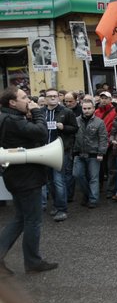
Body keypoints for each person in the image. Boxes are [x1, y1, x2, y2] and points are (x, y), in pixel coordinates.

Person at [0, 87, 59, 276]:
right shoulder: (14, 120)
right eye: (24, 97)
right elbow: (41, 133)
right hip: (27, 179)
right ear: (12, 103)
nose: (28, 100)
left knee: (20, 218)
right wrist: (37, 112)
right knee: (33, 221)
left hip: (16, 177)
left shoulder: (5, 117)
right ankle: (33, 262)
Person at [41, 88, 77, 222]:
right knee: (49, 180)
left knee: (59, 180)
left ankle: (62, 209)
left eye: (55, 96)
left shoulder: (66, 112)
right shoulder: (41, 112)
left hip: (60, 150)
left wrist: (64, 127)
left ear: (58, 97)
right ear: (45, 98)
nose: (52, 98)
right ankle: (56, 205)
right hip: (44, 151)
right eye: (49, 96)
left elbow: (75, 129)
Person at [73, 100, 109, 208]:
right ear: (82, 108)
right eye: (84, 108)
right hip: (79, 153)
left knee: (93, 178)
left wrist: (101, 153)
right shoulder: (76, 121)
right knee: (77, 175)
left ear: (93, 108)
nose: (87, 110)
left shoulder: (99, 122)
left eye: (89, 108)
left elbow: (103, 138)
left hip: (93, 154)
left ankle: (93, 200)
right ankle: (87, 194)